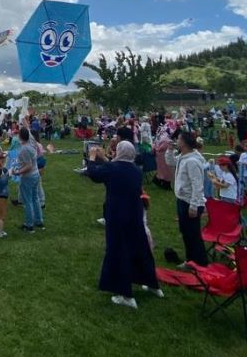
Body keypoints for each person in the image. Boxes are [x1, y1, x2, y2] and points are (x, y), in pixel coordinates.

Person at [85, 142, 162, 309]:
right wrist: (104, 158)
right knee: (141, 248)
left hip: (118, 215)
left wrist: (92, 157)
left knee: (118, 251)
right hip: (134, 214)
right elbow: (116, 167)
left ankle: (125, 294)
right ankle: (152, 284)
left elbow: (93, 174)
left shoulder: (113, 169)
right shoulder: (135, 170)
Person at [165, 131, 208, 267]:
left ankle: (199, 263)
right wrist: (169, 150)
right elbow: (170, 161)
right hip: (182, 199)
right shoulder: (183, 157)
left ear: (184, 142)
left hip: (190, 202)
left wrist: (194, 205)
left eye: (178, 139)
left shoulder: (192, 161)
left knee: (192, 234)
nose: (176, 141)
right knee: (186, 232)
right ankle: (190, 260)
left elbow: (197, 185)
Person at [12, 128, 44, 233]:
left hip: (28, 177)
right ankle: (39, 221)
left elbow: (28, 166)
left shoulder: (24, 150)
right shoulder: (32, 143)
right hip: (36, 174)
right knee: (35, 199)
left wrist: (18, 172)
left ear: (20, 136)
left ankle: (29, 225)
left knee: (28, 201)